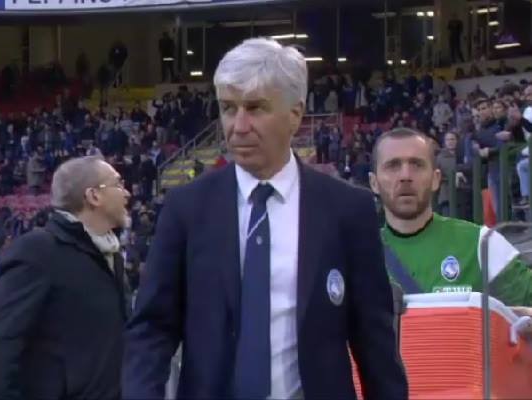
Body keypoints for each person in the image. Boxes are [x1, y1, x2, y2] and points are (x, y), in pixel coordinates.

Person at [123, 37, 407, 399]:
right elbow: (152, 329)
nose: (239, 125)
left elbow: (374, 342)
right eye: (228, 108)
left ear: (295, 114)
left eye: (255, 108)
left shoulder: (347, 209)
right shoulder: (186, 208)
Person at [0, 156, 131, 399]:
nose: (127, 193)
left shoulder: (112, 257)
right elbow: (0, 346)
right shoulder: (37, 251)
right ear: (94, 196)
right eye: (118, 184)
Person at [370, 128, 532, 306]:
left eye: (417, 165)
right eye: (393, 166)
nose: (405, 176)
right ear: (374, 183)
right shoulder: (358, 255)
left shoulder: (481, 244)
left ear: (435, 179)